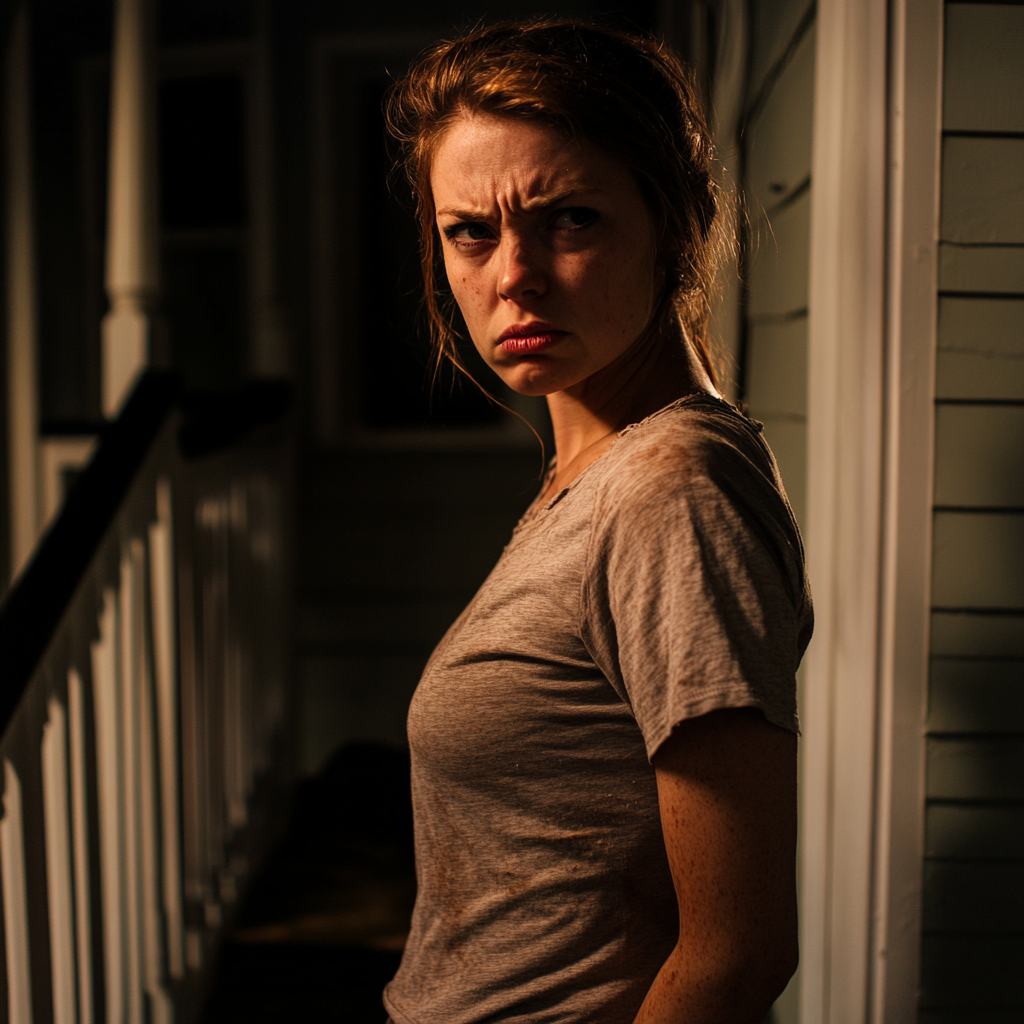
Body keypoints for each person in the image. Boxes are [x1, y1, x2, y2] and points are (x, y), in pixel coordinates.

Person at [381, 18, 813, 1024]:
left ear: (675, 221)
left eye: (569, 219)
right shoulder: (598, 465)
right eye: (469, 232)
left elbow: (735, 955)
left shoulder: (671, 488)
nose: (511, 275)